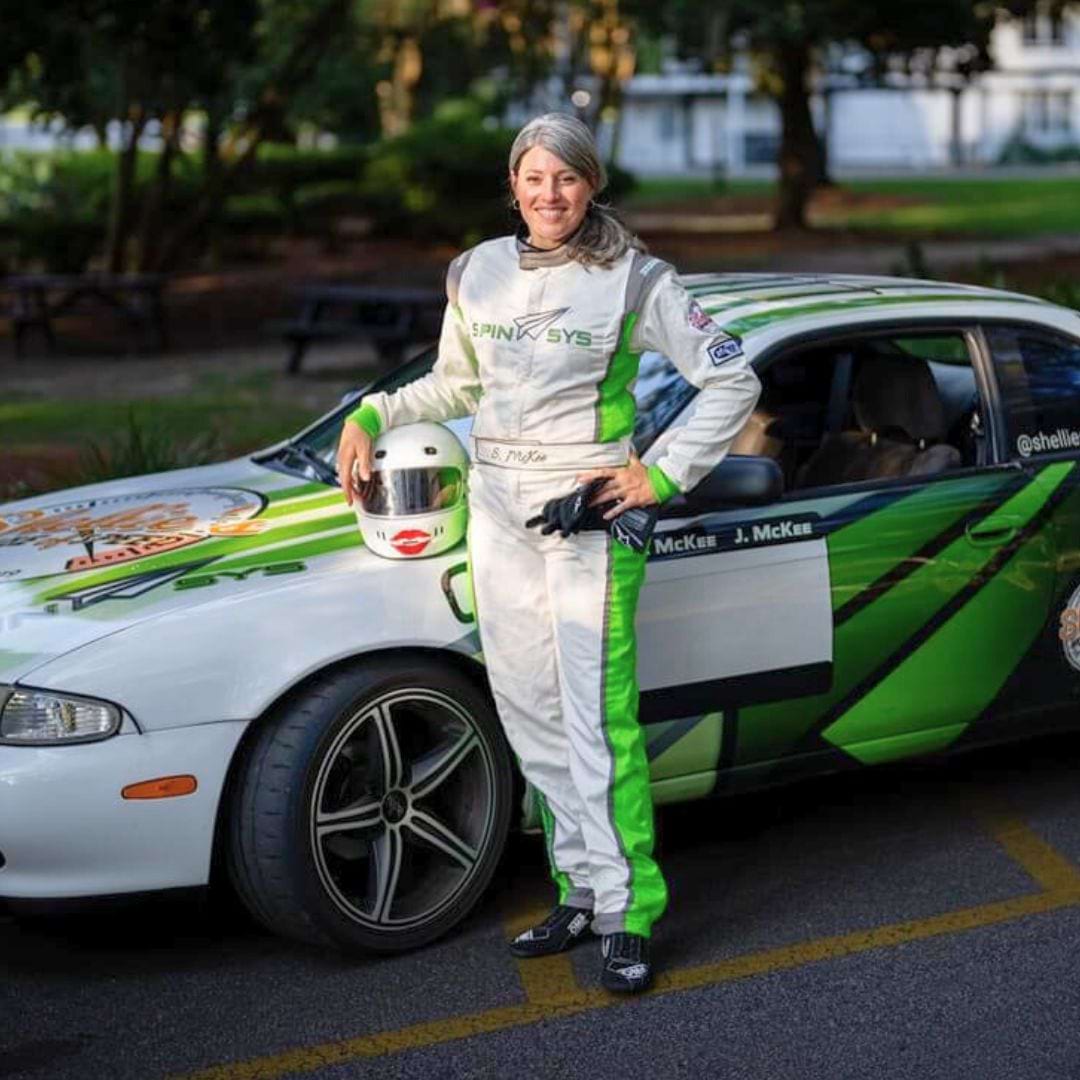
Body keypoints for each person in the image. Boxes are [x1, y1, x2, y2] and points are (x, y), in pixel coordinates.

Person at [337, 112, 761, 993]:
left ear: (590, 184)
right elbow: (456, 383)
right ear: (514, 186)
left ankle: (629, 908)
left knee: (594, 722)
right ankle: (578, 888)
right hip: (496, 513)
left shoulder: (639, 280)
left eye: (565, 179)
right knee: (527, 711)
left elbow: (733, 377)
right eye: (533, 178)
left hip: (587, 516)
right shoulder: (477, 271)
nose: (549, 195)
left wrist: (661, 477)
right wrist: (371, 413)